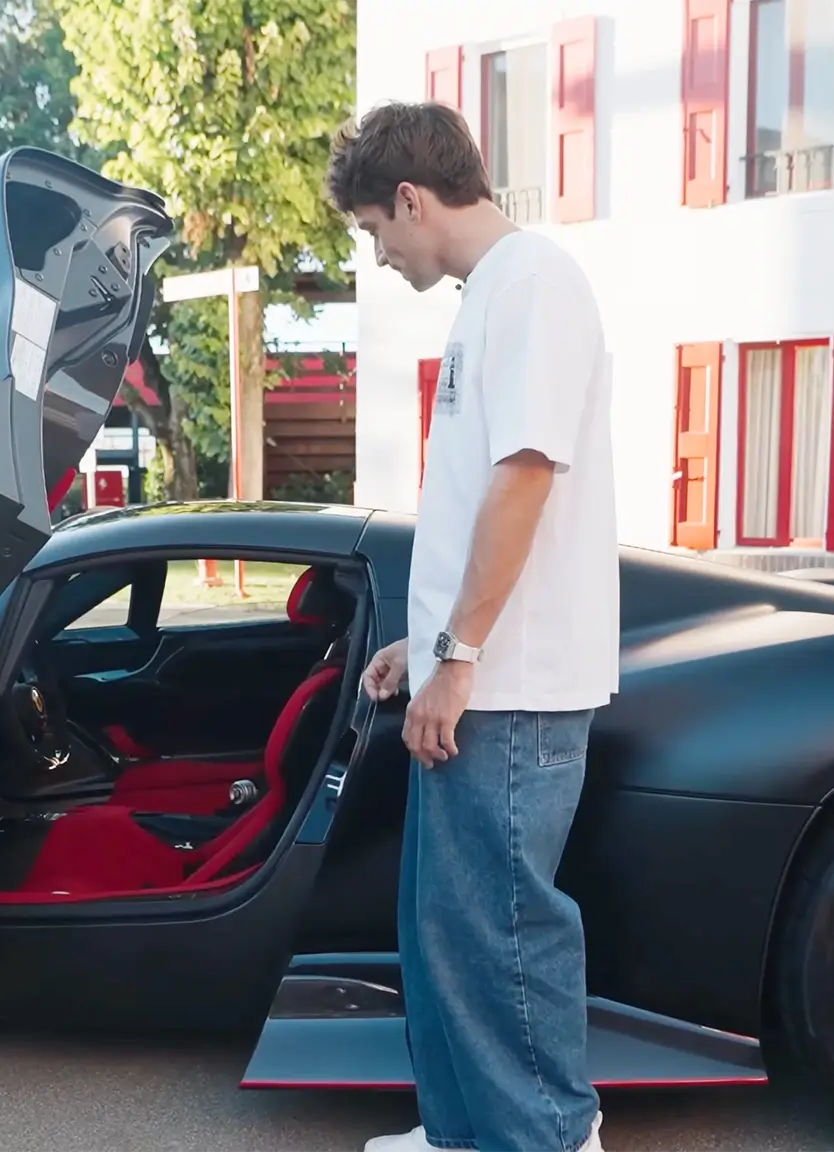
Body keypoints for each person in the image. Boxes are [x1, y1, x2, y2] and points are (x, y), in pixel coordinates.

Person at [328, 100, 618, 1152]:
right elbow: (478, 504)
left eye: (372, 231)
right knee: (446, 932)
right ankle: (460, 1136)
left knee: (503, 933)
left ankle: (548, 1138)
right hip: (481, 674)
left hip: (513, 688)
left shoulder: (532, 285)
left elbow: (525, 477)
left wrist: (458, 658)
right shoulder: (492, 293)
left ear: (410, 199)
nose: (377, 254)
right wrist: (430, 643)